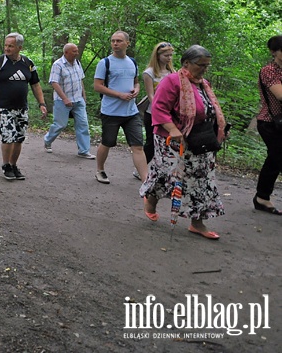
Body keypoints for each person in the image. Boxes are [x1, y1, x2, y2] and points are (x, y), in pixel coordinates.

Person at [141, 45, 227, 239]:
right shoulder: (171, 81)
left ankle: (197, 223)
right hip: (170, 139)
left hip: (199, 140)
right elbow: (158, 108)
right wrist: (173, 129)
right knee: (166, 176)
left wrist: (219, 128)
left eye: (207, 65)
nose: (204, 69)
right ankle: (151, 200)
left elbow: (208, 109)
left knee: (201, 180)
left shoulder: (203, 84)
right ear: (186, 63)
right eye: (200, 65)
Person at [0, 33, 48, 180]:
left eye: (10, 46)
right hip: (4, 107)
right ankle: (6, 164)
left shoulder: (27, 63)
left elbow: (35, 84)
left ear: (19, 47)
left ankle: (13, 165)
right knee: (8, 136)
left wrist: (42, 103)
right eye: (6, 45)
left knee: (19, 137)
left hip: (21, 107)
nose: (7, 48)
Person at [93, 31, 148, 185]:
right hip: (111, 111)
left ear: (127, 43)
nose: (115, 44)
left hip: (131, 112)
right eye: (113, 41)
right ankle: (100, 170)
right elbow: (97, 86)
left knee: (137, 145)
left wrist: (136, 89)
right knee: (107, 142)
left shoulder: (132, 62)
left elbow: (136, 81)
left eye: (119, 41)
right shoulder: (105, 63)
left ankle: (145, 180)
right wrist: (119, 95)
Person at [43, 42, 93, 159]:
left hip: (78, 100)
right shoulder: (58, 65)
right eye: (74, 51)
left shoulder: (77, 63)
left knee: (83, 124)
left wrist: (83, 96)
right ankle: (47, 140)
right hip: (62, 100)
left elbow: (80, 80)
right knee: (60, 124)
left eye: (77, 51)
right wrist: (65, 99)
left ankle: (84, 151)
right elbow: (54, 83)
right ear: (66, 52)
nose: (77, 53)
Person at [254, 34, 282, 216]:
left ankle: (262, 197)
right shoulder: (269, 70)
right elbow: (280, 95)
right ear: (274, 52)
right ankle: (262, 197)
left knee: (275, 160)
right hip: (270, 122)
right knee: (278, 157)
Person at [142, 42, 175, 167]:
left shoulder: (172, 72)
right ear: (158, 55)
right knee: (151, 141)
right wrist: (159, 111)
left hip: (169, 113)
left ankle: (161, 167)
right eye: (166, 55)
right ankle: (142, 168)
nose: (169, 58)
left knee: (166, 141)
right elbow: (151, 95)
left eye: (171, 55)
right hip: (153, 113)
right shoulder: (149, 73)